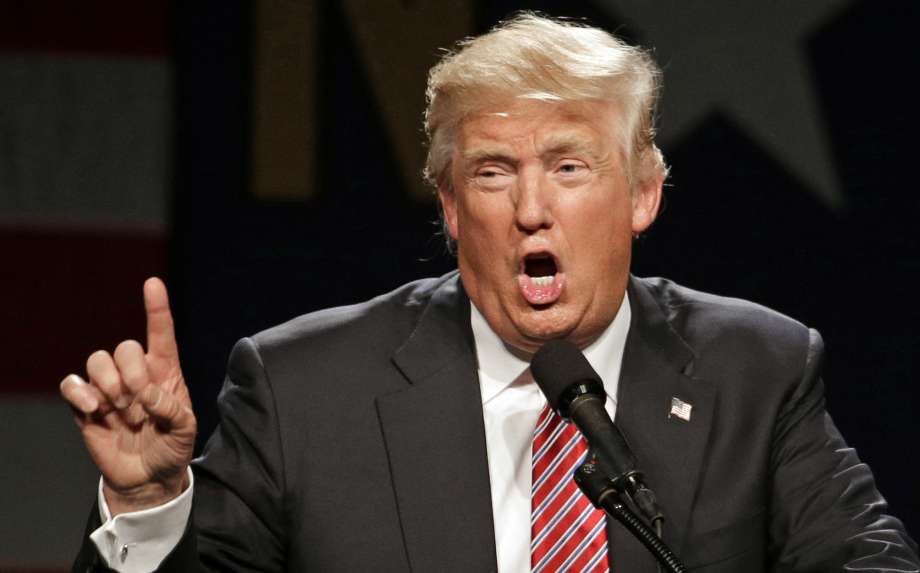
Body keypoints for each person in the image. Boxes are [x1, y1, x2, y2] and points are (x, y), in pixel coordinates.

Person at [60, 14, 918, 573]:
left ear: (644, 193)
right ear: (450, 206)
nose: (531, 210)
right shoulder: (303, 388)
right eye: (494, 172)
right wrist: (146, 504)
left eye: (570, 167)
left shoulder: (753, 370)